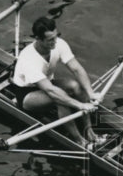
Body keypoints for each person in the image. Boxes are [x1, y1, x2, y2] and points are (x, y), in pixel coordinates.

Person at [8, 16, 105, 148]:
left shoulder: (58, 43)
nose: (55, 42)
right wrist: (80, 105)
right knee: (60, 99)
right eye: (50, 40)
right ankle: (80, 141)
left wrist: (91, 93)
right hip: (26, 94)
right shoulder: (28, 59)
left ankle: (90, 131)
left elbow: (76, 69)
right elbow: (51, 91)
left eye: (56, 36)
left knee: (76, 86)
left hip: (47, 84)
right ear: (38, 39)